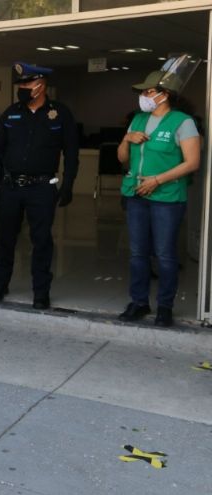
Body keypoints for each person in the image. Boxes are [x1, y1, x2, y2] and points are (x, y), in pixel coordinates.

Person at [0, 62, 79, 310]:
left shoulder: (60, 113)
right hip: (12, 188)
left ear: (41, 85)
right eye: (21, 85)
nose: (22, 89)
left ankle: (41, 292)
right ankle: (0, 284)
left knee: (41, 241)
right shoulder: (11, 113)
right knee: (5, 238)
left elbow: (71, 152)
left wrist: (68, 183)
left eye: (27, 84)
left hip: (41, 188)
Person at [116, 71, 200, 327]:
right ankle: (139, 302)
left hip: (167, 197)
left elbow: (192, 163)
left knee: (164, 255)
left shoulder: (182, 122)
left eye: (149, 92)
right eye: (143, 92)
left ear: (166, 95)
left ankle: (165, 306)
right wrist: (126, 139)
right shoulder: (138, 120)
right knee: (138, 253)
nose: (144, 96)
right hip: (136, 195)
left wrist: (157, 180)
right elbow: (123, 158)